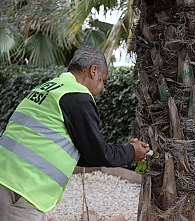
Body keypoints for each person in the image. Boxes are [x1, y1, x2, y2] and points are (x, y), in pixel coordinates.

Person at [0, 46, 150, 221]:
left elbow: (80, 152)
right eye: (102, 80)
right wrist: (132, 152)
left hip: (7, 178)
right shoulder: (77, 96)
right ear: (93, 70)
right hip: (20, 188)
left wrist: (124, 150)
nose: (102, 89)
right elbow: (97, 153)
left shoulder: (48, 88)